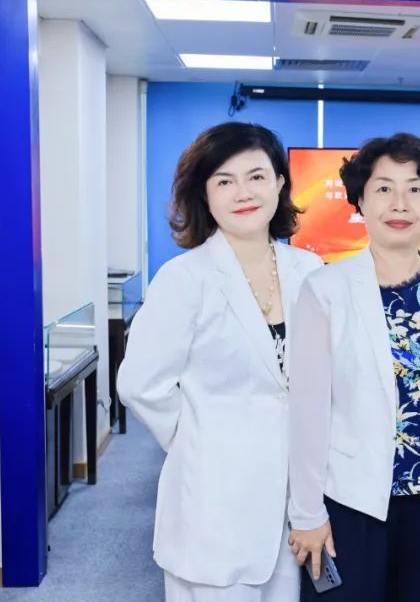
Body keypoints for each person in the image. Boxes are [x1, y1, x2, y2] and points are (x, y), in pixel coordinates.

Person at [117, 122, 323, 602]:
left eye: (256, 177)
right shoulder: (184, 279)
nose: (243, 192)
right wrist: (197, 439)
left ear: (279, 184)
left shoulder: (309, 271)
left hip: (290, 500)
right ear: (204, 195)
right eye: (224, 181)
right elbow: (139, 384)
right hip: (214, 500)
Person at [286, 133, 420, 601]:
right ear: (360, 201)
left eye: (415, 189)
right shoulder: (325, 290)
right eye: (383, 188)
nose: (400, 203)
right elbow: (307, 411)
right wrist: (306, 513)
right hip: (353, 505)